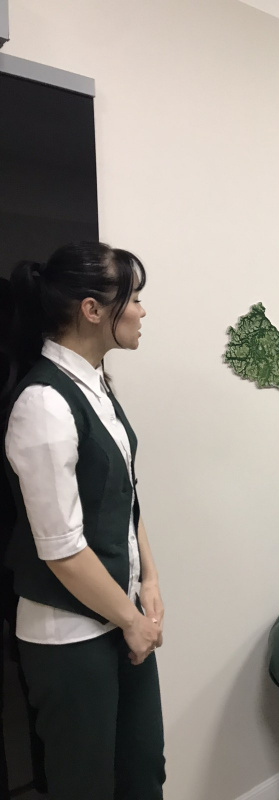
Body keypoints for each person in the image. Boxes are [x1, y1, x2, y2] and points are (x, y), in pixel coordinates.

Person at [0, 242, 166, 800]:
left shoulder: (96, 385)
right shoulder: (44, 403)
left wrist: (150, 581)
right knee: (86, 786)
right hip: (70, 635)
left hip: (121, 616)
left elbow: (125, 495)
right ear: (92, 310)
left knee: (143, 773)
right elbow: (62, 549)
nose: (141, 311)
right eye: (133, 298)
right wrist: (132, 619)